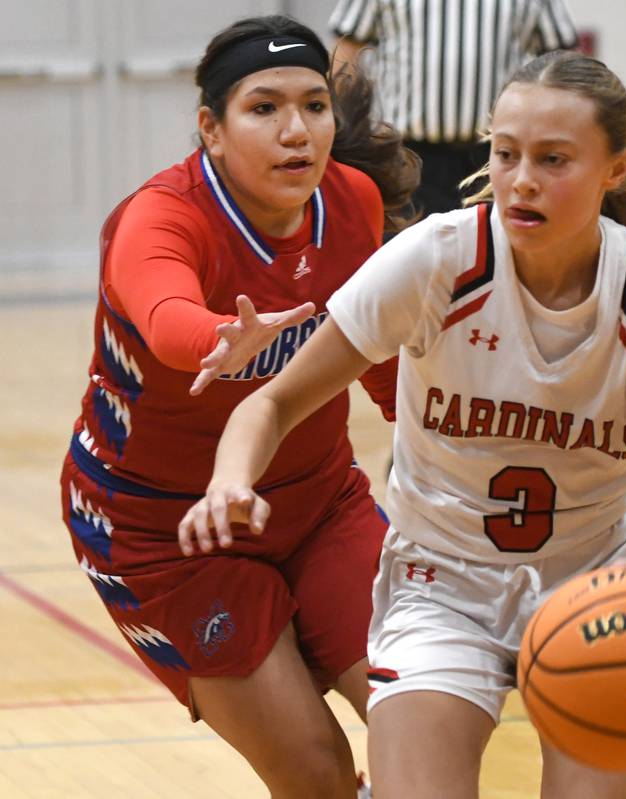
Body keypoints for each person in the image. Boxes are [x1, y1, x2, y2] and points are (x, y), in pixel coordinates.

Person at [178, 50, 626, 799]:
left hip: (593, 582)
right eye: (505, 154)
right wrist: (229, 479)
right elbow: (270, 401)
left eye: (553, 159)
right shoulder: (438, 260)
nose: (521, 178)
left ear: (615, 168)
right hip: (443, 583)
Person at [59, 14, 418, 798]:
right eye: (264, 108)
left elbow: (385, 365)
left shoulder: (350, 204)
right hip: (162, 530)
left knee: (426, 717)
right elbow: (166, 318)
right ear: (210, 131)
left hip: (320, 502)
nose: (298, 131)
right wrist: (224, 337)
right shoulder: (159, 216)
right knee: (318, 771)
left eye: (314, 105)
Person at [328, 0, 578, 217]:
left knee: (493, 255)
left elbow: (562, 59)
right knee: (412, 257)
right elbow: (347, 49)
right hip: (407, 155)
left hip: (497, 155)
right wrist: (347, 135)